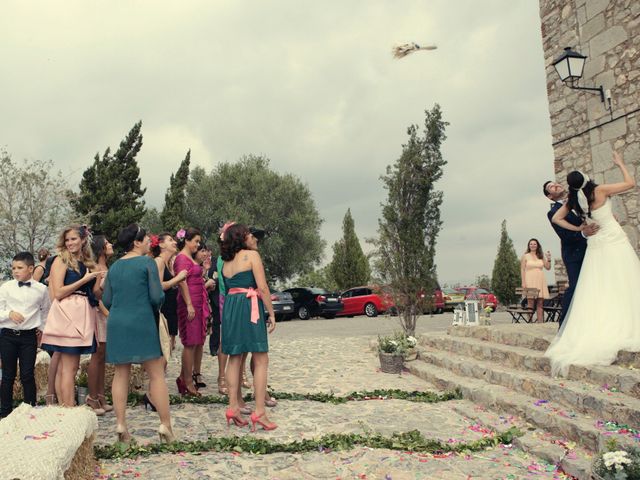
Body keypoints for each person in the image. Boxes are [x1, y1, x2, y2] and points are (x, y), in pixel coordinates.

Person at [545, 151, 639, 375]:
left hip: (597, 245)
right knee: (624, 280)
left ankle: (603, 323)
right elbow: (631, 183)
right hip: (614, 240)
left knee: (601, 286)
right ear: (586, 178)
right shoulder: (599, 190)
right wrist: (620, 163)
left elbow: (558, 219)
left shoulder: (575, 201)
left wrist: (579, 227)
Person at [103, 224, 174, 444]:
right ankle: (165, 425)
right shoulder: (147, 263)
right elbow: (156, 296)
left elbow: (106, 300)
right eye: (145, 239)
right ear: (136, 242)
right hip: (142, 319)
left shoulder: (114, 267)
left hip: (117, 322)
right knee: (156, 375)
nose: (148, 242)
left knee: (120, 374)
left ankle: (121, 424)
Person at [220, 223, 276, 431]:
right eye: (249, 234)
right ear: (242, 237)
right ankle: (259, 411)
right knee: (261, 358)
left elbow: (226, 289)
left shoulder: (225, 262)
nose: (253, 238)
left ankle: (233, 407)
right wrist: (271, 312)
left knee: (234, 358)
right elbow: (262, 287)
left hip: (231, 307)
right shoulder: (252, 256)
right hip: (249, 304)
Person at [41, 225, 104, 407]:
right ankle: (68, 408)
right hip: (68, 313)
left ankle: (65, 407)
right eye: (67, 240)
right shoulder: (61, 261)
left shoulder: (87, 263)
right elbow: (58, 292)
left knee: (69, 367)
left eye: (73, 239)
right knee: (69, 366)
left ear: (83, 240)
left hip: (84, 312)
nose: (70, 243)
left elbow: (95, 294)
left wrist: (99, 280)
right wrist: (83, 280)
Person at [0, 252, 50, 418]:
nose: (15, 271)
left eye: (19, 268)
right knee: (8, 375)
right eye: (13, 268)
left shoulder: (42, 289)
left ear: (30, 269)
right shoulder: (6, 288)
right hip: (7, 336)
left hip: (29, 337)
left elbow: (45, 311)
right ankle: (5, 412)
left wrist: (43, 331)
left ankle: (30, 409)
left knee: (27, 374)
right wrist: (9, 314)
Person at [543, 179, 599, 326]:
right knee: (575, 287)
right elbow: (565, 235)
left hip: (594, 248)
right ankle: (563, 325)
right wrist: (583, 233)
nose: (556, 185)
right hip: (573, 254)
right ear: (550, 196)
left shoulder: (579, 199)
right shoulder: (553, 212)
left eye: (555, 183)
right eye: (551, 187)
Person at [174, 227, 210, 396]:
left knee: (196, 342)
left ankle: (183, 377)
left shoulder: (189, 257)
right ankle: (187, 381)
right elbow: (182, 282)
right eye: (195, 241)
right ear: (186, 241)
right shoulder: (181, 258)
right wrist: (189, 304)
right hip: (189, 303)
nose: (197, 244)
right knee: (189, 343)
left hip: (197, 302)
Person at [86, 235, 114, 415]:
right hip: (98, 312)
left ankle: (101, 395)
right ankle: (92, 397)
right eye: (107, 243)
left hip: (107, 312)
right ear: (101, 248)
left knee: (103, 355)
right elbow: (95, 293)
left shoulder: (108, 267)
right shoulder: (96, 267)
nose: (111, 245)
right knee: (96, 355)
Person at [151, 233, 187, 353]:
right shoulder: (159, 261)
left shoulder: (167, 263)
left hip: (170, 309)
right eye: (170, 240)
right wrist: (177, 278)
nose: (175, 242)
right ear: (161, 244)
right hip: (162, 310)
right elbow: (158, 286)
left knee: (167, 349)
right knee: (162, 350)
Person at [520, 239, 551, 323]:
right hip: (529, 281)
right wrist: (523, 282)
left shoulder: (541, 256)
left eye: (534, 244)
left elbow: (548, 268)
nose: (533, 245)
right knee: (530, 302)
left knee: (540, 303)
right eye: (531, 244)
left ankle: (540, 323)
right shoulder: (525, 256)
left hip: (540, 281)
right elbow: (522, 269)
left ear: (537, 246)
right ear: (529, 246)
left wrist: (548, 259)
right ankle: (530, 322)